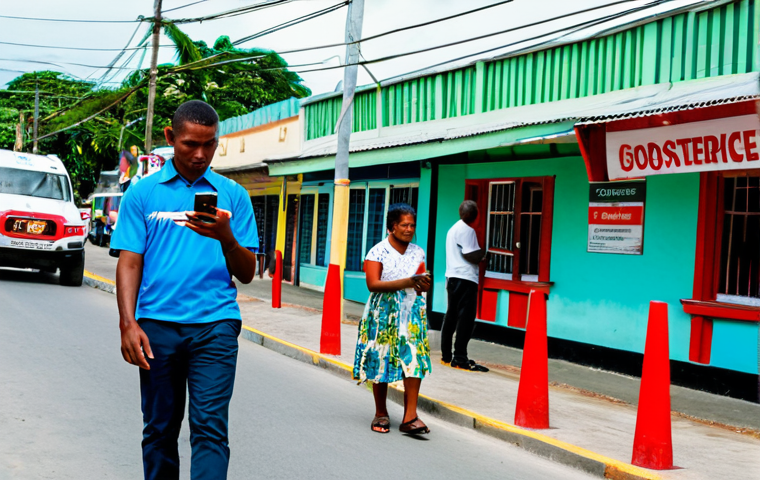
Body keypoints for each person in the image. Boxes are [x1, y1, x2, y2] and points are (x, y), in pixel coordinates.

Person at [112, 100, 259, 480]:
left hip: (216, 326)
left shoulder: (234, 196)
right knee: (159, 429)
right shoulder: (142, 195)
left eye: (209, 144)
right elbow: (129, 261)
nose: (200, 154)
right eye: (190, 144)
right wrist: (128, 323)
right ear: (170, 138)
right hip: (157, 326)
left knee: (210, 428)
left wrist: (226, 238)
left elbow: (246, 273)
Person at [353, 203, 433, 435]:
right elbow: (373, 284)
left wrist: (423, 283)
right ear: (392, 227)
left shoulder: (418, 252)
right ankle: (381, 413)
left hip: (412, 311)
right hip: (383, 313)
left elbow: (420, 282)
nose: (409, 229)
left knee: (415, 358)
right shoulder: (377, 252)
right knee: (380, 357)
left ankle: (410, 417)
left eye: (412, 225)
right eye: (404, 225)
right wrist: (408, 282)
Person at [441, 200, 489, 372]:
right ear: (476, 216)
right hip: (466, 278)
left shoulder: (453, 228)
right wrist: (483, 255)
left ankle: (446, 356)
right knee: (466, 319)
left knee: (451, 316)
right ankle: (460, 358)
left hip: (452, 276)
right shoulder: (468, 230)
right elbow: (470, 255)